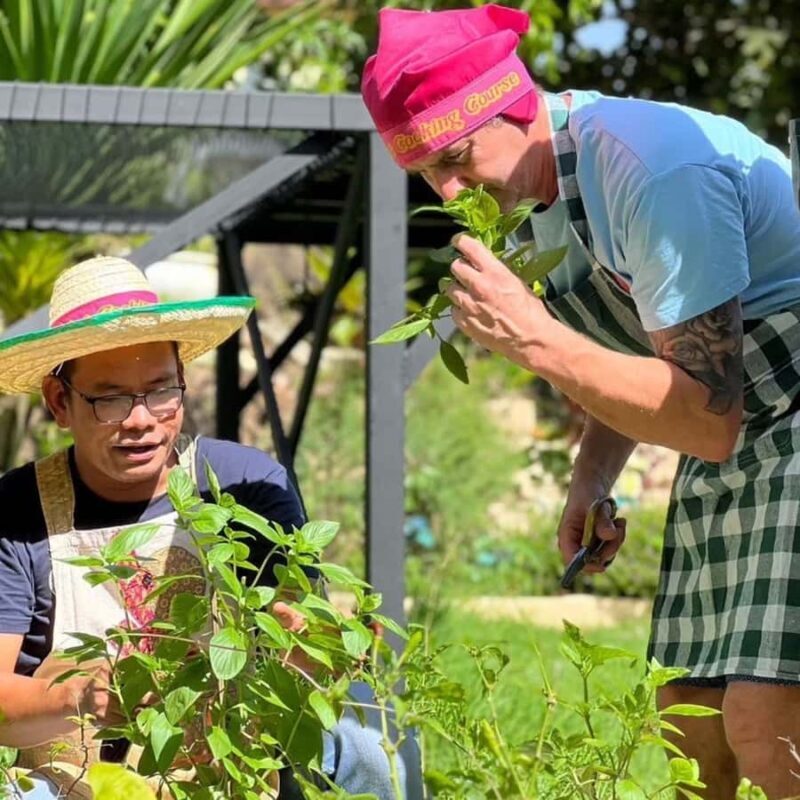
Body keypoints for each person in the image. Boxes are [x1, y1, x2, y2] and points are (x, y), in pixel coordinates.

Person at [362, 5, 800, 798]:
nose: (451, 190)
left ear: (517, 101)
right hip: (739, 442)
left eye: (458, 157)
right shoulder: (528, 203)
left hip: (785, 420)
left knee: (768, 726)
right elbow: (642, 352)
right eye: (428, 173)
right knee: (689, 725)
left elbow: (705, 414)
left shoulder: (653, 171)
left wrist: (534, 340)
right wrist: (591, 476)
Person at [0, 256, 404, 799]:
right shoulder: (17, 508)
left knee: (374, 748)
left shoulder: (245, 485)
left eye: (161, 390)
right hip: (70, 779)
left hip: (235, 772)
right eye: (110, 398)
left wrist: (313, 646)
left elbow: (298, 640)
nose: (141, 419)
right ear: (59, 402)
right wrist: (74, 698)